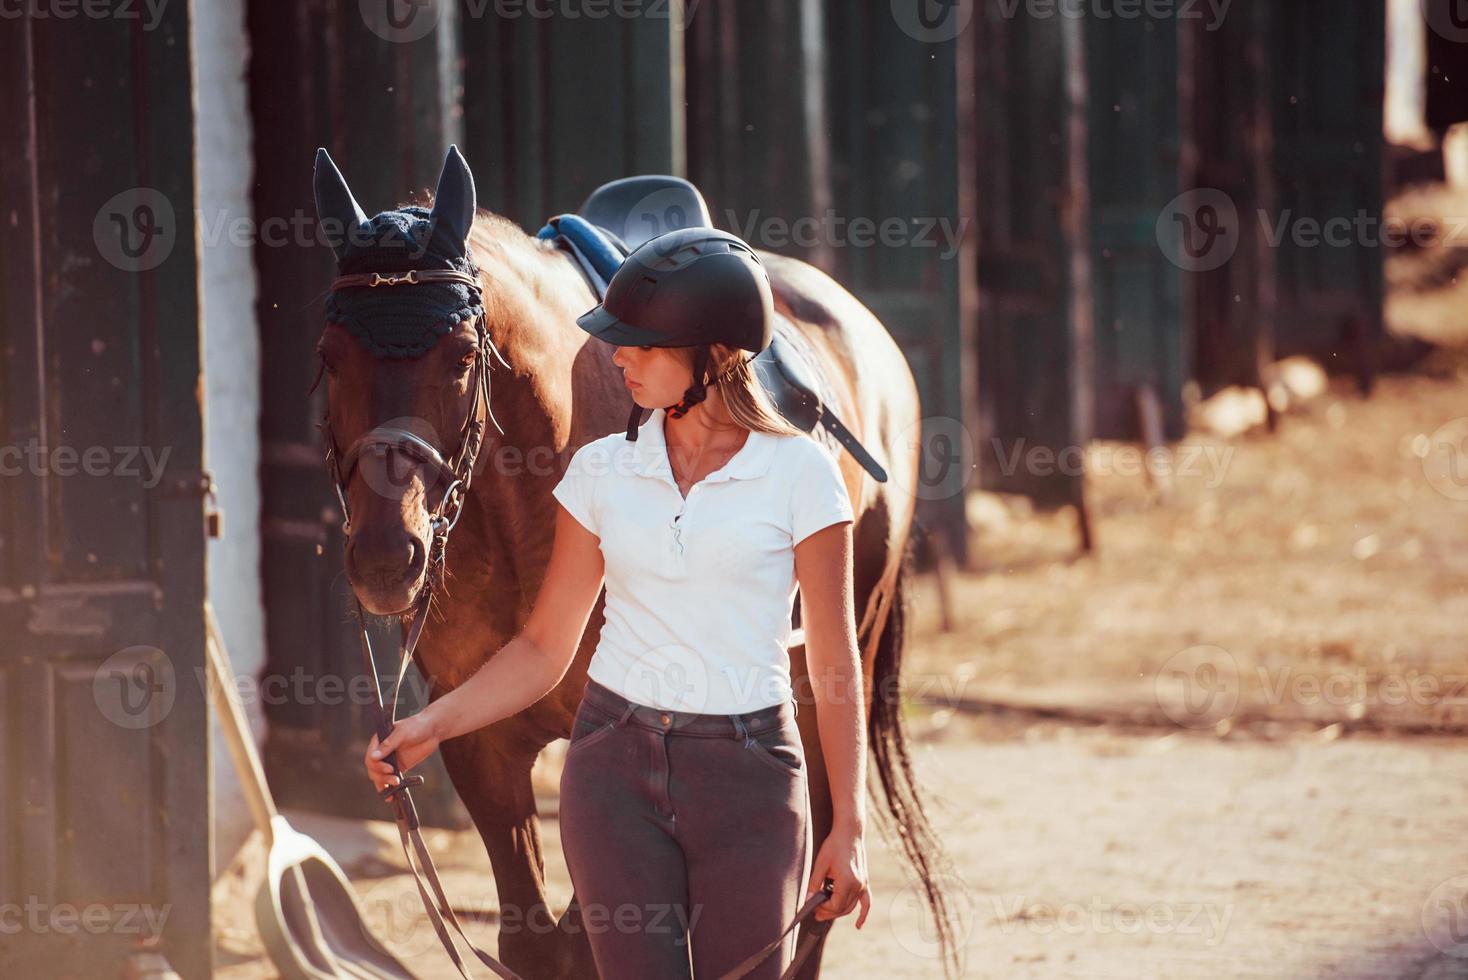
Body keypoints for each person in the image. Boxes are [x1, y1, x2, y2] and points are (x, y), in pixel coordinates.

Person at [364, 227, 872, 978]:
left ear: (713, 355)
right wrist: (431, 725)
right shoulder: (601, 472)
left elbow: (834, 660)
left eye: (640, 345)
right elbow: (543, 646)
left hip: (750, 772)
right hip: (612, 771)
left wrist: (851, 823)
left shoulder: (802, 474)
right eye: (615, 341)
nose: (617, 357)